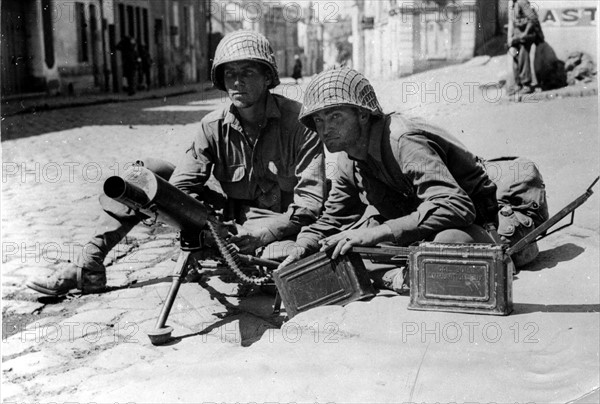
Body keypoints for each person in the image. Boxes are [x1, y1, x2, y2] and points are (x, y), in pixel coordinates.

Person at [26, 30, 326, 296]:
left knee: (288, 265)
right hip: (230, 219)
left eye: (247, 71)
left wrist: (262, 234)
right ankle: (89, 265)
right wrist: (205, 222)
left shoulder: (299, 123)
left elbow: (311, 205)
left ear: (267, 77)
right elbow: (182, 186)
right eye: (229, 72)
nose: (236, 81)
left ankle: (247, 260)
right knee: (146, 175)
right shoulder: (212, 126)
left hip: (282, 227)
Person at [278, 67, 499, 293]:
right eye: (318, 120)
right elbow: (333, 219)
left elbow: (457, 206)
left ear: (363, 114)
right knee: (343, 246)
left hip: (474, 221)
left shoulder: (402, 141)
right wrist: (302, 246)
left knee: (446, 244)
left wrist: (376, 232)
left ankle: (403, 276)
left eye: (335, 116)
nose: (325, 129)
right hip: (416, 225)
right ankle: (404, 276)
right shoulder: (349, 159)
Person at [507, 0, 545, 95]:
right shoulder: (514, 4)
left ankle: (526, 85)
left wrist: (525, 33)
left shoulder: (522, 2)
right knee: (515, 59)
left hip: (525, 38)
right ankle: (518, 85)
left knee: (523, 59)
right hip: (516, 38)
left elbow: (533, 19)